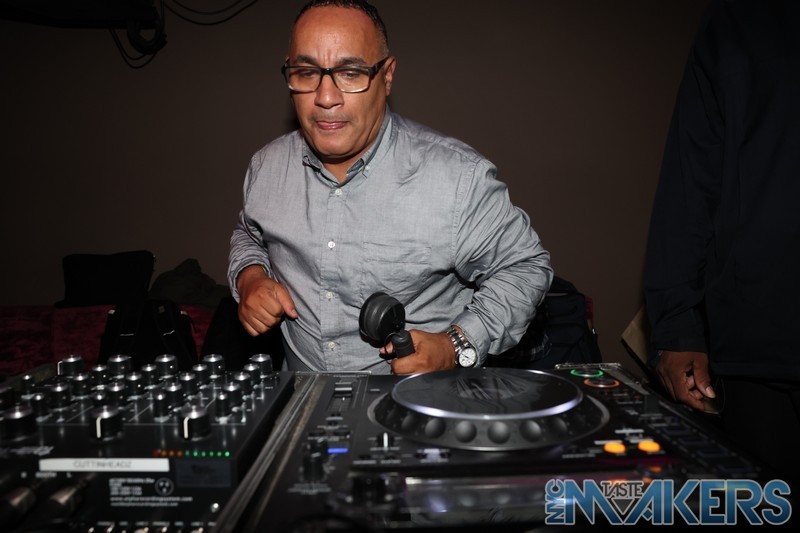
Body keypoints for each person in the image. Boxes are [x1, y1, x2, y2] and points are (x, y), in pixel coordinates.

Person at [227, 0, 552, 375]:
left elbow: (525, 267)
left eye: (351, 73)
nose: (326, 97)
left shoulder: (457, 179)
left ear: (387, 76)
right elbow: (249, 235)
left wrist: (455, 345)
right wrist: (250, 276)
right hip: (299, 397)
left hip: (419, 402)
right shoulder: (265, 167)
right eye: (306, 72)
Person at [644, 0, 800, 483]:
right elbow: (691, 175)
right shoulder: (738, 17)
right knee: (766, 504)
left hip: (761, 331)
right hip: (765, 340)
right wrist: (676, 326)